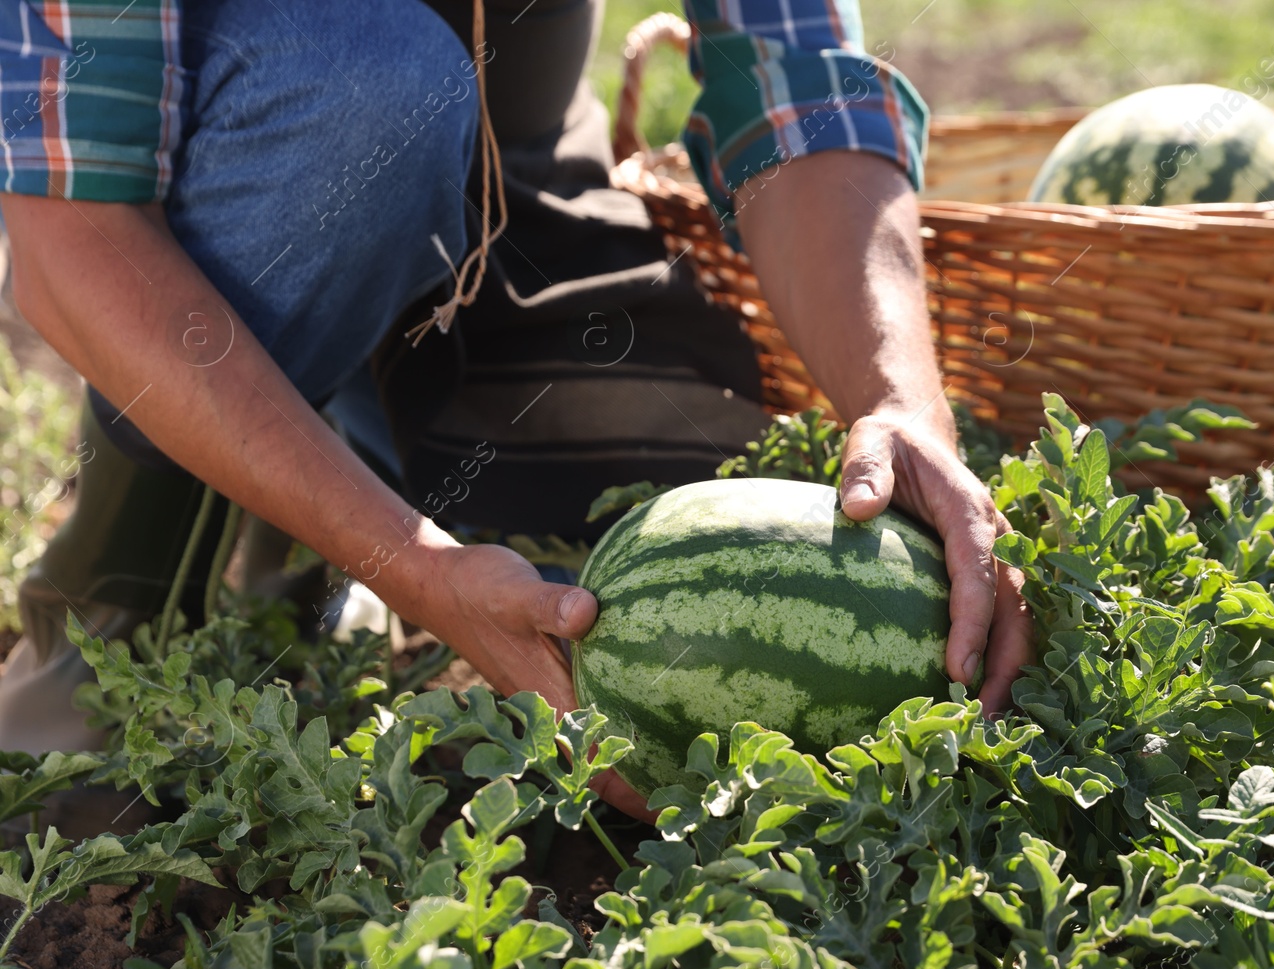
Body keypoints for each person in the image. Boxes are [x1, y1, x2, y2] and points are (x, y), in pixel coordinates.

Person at [0, 0, 1029, 816]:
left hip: (504, 188)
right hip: (298, 134)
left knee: (668, 458)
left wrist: (898, 403)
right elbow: (75, 238)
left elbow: (796, 84)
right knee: (368, 92)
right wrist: (420, 569)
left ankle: (306, 521)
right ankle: (106, 606)